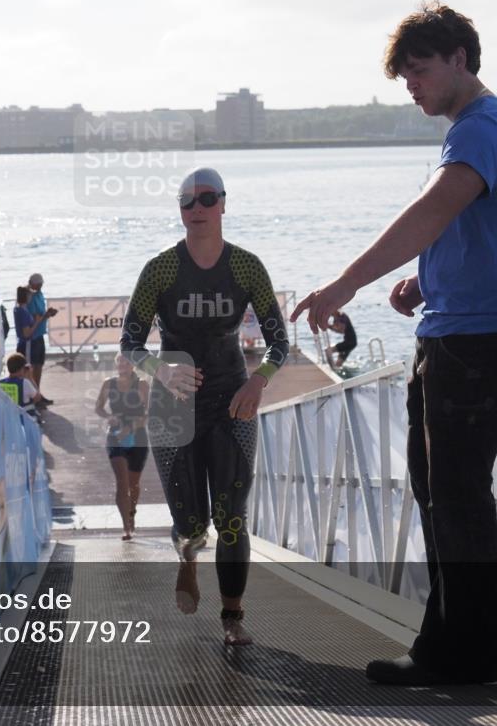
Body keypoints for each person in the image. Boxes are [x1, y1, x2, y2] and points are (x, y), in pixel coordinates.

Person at [290, 1, 497, 686]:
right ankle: (469, 640)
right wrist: (422, 279)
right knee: (443, 493)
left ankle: (458, 653)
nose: (413, 87)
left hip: (476, 341)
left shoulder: (480, 130)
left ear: (461, 59)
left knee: (455, 494)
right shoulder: (477, 130)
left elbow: (434, 208)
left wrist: (343, 284)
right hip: (459, 329)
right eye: (405, 77)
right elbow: (461, 225)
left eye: (421, 71)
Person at [121, 167, 289, 646]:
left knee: (231, 515)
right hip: (172, 407)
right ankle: (188, 554)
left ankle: (233, 616)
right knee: (190, 522)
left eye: (206, 199)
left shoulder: (246, 267)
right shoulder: (161, 268)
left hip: (231, 400)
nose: (196, 210)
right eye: (186, 202)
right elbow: (130, 341)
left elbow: (279, 344)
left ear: (222, 205)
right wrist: (160, 369)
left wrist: (259, 381)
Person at [94, 353, 150, 540]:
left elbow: (150, 412)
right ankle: (126, 526)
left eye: (127, 362)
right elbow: (99, 407)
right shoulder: (108, 383)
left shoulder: (142, 384)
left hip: (138, 435)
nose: (123, 365)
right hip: (115, 436)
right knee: (122, 482)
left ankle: (132, 512)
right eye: (120, 362)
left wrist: (132, 427)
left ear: (133, 365)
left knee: (133, 484)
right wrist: (107, 417)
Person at [27, 272, 58, 404]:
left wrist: (47, 313)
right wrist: (46, 315)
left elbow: (41, 316)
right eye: (38, 284)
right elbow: (36, 319)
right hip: (33, 336)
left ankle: (37, 392)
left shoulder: (40, 295)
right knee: (32, 366)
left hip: (40, 335)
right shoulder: (31, 297)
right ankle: (33, 395)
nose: (40, 286)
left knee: (39, 365)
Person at [0, 352, 44, 421]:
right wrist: (30, 378)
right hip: (23, 421)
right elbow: (38, 398)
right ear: (21, 369)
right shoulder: (25, 383)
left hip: (7, 420)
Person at [13, 286, 48, 367]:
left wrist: (43, 317)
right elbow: (26, 333)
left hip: (22, 343)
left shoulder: (18, 309)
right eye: (29, 295)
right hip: (27, 345)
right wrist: (37, 322)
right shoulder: (23, 312)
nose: (31, 297)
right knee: (27, 368)